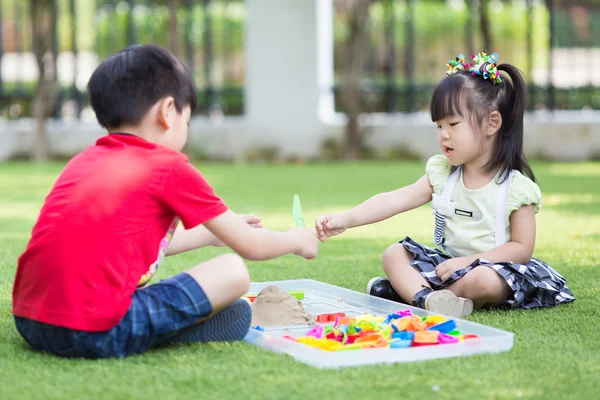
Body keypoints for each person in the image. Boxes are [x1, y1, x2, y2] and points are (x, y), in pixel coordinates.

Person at [12, 44, 319, 358]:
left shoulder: (84, 161)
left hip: (29, 320)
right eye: (188, 119)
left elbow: (133, 239)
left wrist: (212, 233)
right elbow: (252, 246)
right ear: (168, 111)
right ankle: (166, 330)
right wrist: (298, 239)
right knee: (232, 272)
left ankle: (165, 326)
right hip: (93, 330)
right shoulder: (167, 166)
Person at [315, 52, 574, 317]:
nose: (444, 134)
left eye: (453, 123)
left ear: (491, 123)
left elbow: (521, 250)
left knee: (483, 281)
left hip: (495, 268)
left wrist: (469, 262)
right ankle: (429, 298)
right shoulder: (443, 173)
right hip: (448, 265)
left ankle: (413, 294)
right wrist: (347, 219)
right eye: (439, 126)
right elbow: (394, 199)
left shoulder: (516, 188)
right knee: (393, 254)